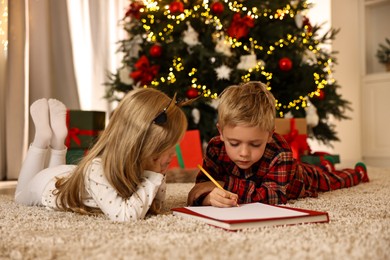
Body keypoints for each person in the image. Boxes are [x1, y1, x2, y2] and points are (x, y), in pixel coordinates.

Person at [15, 88, 188, 221]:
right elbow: (125, 216)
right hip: (46, 185)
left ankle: (59, 141)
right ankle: (42, 138)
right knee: (20, 196)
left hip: (67, 176)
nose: (174, 152)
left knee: (59, 171)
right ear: (148, 148)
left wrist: (157, 171)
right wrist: (155, 177)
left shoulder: (140, 164)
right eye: (170, 147)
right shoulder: (96, 170)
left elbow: (155, 204)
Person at [187, 81, 369, 207]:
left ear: (269, 135)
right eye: (234, 143)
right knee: (324, 169)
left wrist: (225, 185)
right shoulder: (215, 147)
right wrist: (210, 197)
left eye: (255, 144)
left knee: (332, 180)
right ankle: (324, 165)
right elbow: (203, 186)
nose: (244, 153)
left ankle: (358, 172)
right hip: (265, 180)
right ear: (221, 132)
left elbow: (273, 196)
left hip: (301, 179)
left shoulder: (280, 152)